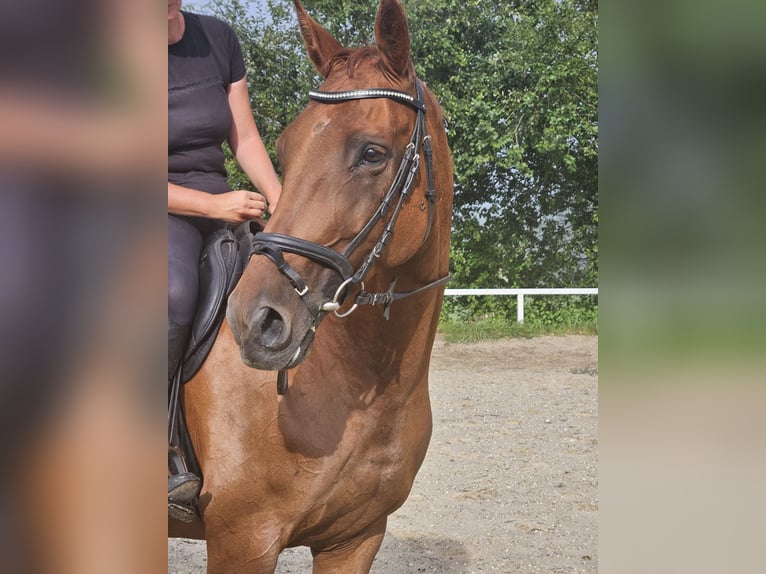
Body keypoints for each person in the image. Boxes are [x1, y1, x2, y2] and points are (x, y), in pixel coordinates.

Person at [167, 0, 282, 521]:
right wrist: (213, 205)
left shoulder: (218, 38)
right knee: (174, 294)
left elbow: (246, 138)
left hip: (223, 196)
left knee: (291, 275)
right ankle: (157, 453)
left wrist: (280, 200)